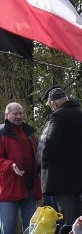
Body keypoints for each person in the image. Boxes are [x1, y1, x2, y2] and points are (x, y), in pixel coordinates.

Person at [0, 103, 41, 234]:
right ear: (7, 115)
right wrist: (11, 165)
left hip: (29, 187)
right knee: (8, 229)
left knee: (31, 229)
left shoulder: (29, 133)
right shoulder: (0, 134)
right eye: (15, 114)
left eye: (21, 113)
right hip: (8, 188)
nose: (19, 116)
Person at [41, 85, 82, 225]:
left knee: (66, 210)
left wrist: (44, 161)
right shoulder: (79, 114)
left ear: (53, 103)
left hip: (60, 175)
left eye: (50, 105)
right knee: (76, 208)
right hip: (78, 173)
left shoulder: (58, 115)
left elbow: (51, 141)